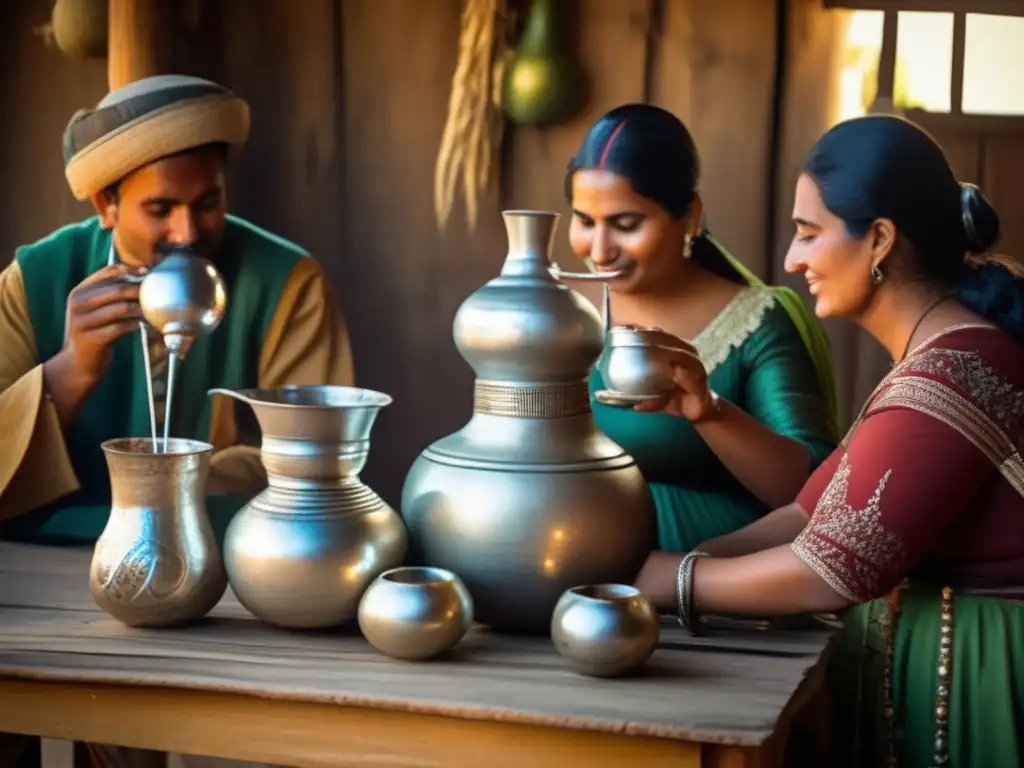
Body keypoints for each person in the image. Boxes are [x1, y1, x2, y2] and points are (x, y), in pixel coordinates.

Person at [635, 114, 1024, 767]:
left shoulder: (954, 373)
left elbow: (830, 569)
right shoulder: (939, 356)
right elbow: (805, 515)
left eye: (808, 233)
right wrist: (684, 556)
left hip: (985, 682)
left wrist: (658, 579)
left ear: (878, 239)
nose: (791, 259)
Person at [0, 75, 354, 767]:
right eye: (159, 208)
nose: (188, 232)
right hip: (31, 572)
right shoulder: (35, 279)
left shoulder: (286, 283)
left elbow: (316, 461)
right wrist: (69, 372)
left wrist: (159, 493)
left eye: (208, 203)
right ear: (107, 203)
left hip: (208, 570)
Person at [566, 104, 839, 551]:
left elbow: (816, 494)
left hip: (716, 588)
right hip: (571, 578)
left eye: (626, 224)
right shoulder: (561, 314)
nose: (599, 251)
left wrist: (709, 413)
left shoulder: (757, 322)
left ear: (690, 215)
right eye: (584, 221)